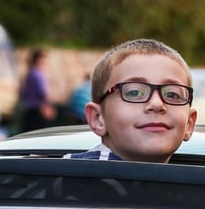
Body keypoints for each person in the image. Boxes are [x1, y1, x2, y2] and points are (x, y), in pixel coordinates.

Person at [67, 38, 197, 162]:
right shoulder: (62, 179)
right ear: (98, 118)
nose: (157, 104)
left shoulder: (200, 182)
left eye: (172, 95)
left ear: (189, 124)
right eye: (134, 92)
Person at [17, 48, 56, 133]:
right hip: (38, 110)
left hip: (30, 109)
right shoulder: (38, 74)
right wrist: (49, 106)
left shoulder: (30, 73)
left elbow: (22, 93)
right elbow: (42, 92)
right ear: (38, 60)